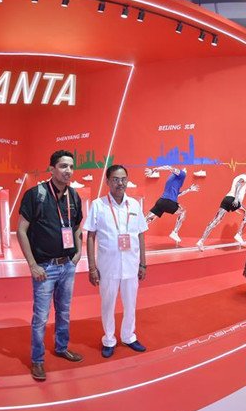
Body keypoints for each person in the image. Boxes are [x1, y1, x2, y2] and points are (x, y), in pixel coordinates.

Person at [17, 150, 84, 382]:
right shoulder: (36, 195)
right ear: (52, 169)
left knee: (64, 312)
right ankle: (37, 360)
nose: (68, 171)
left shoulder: (74, 196)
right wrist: (32, 265)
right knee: (41, 317)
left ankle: (61, 347)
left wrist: (78, 253)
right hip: (45, 268)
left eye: (71, 167)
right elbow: (21, 230)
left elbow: (77, 227)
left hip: (67, 266)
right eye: (63, 166)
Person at [84, 165, 149, 358]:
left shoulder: (134, 205)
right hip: (108, 267)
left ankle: (128, 336)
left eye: (123, 179)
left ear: (127, 180)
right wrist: (92, 267)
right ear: (107, 182)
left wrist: (143, 263)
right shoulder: (98, 205)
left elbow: (140, 235)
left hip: (131, 265)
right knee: (108, 304)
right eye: (115, 179)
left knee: (130, 304)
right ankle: (109, 339)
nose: (120, 183)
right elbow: (90, 236)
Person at [144, 165, 199, 245]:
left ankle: (136, 231)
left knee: (146, 220)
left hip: (161, 202)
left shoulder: (172, 179)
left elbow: (177, 194)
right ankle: (175, 232)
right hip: (169, 202)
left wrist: (189, 190)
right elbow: (169, 167)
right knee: (183, 211)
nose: (185, 171)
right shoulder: (182, 174)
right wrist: (155, 169)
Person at [196, 173, 246, 251]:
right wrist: (236, 199)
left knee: (216, 220)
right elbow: (238, 184)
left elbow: (237, 188)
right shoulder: (245, 176)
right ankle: (239, 234)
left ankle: (201, 241)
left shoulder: (236, 177)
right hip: (233, 200)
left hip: (226, 199)